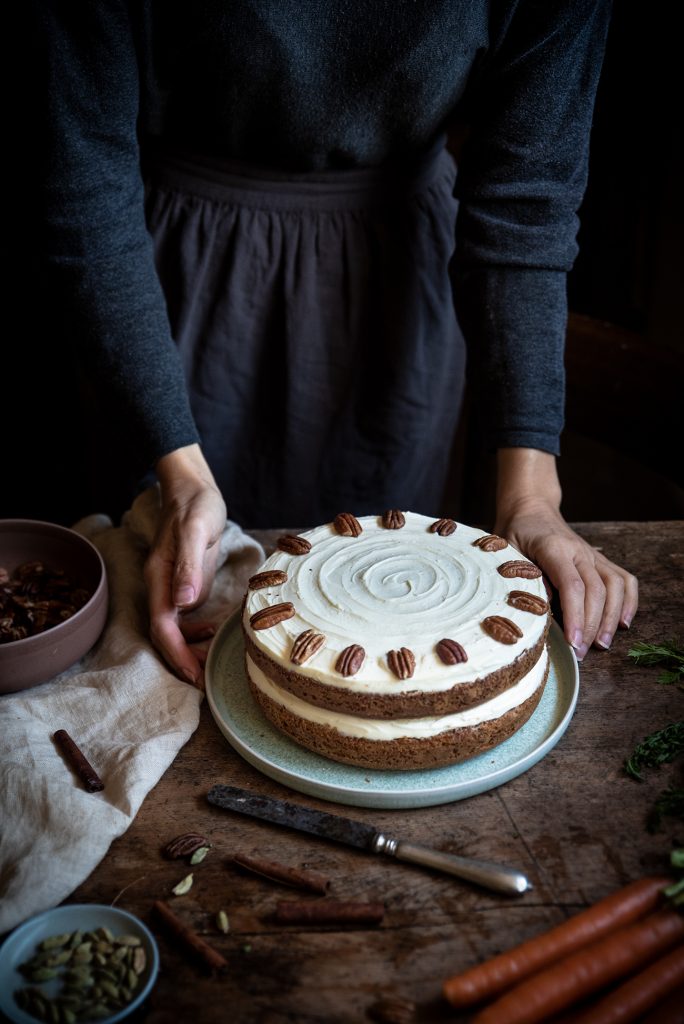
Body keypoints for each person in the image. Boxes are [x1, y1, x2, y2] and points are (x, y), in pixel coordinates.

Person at [30, 0, 637, 686]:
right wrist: (181, 476)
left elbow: (527, 203)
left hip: (400, 290)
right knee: (171, 586)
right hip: (165, 281)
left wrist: (532, 497)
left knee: (386, 638)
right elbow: (84, 180)